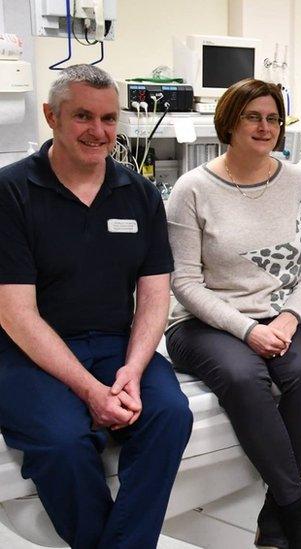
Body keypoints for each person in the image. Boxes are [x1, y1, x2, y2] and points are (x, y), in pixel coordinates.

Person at [0, 64, 192, 549]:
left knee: (170, 413)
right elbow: (15, 313)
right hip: (28, 353)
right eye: (83, 116)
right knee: (64, 443)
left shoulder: (138, 193)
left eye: (109, 119)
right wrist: (92, 392)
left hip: (114, 345)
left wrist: (132, 368)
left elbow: (153, 295)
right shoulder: (11, 192)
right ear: (51, 116)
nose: (99, 131)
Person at [165, 78, 301, 549]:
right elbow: (184, 282)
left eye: (273, 118)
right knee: (243, 378)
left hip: (284, 315)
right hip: (204, 322)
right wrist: (247, 330)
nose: (265, 127)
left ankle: (275, 512)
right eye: (253, 117)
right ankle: (297, 506)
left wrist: (289, 317)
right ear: (230, 123)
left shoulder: (300, 181)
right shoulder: (192, 189)